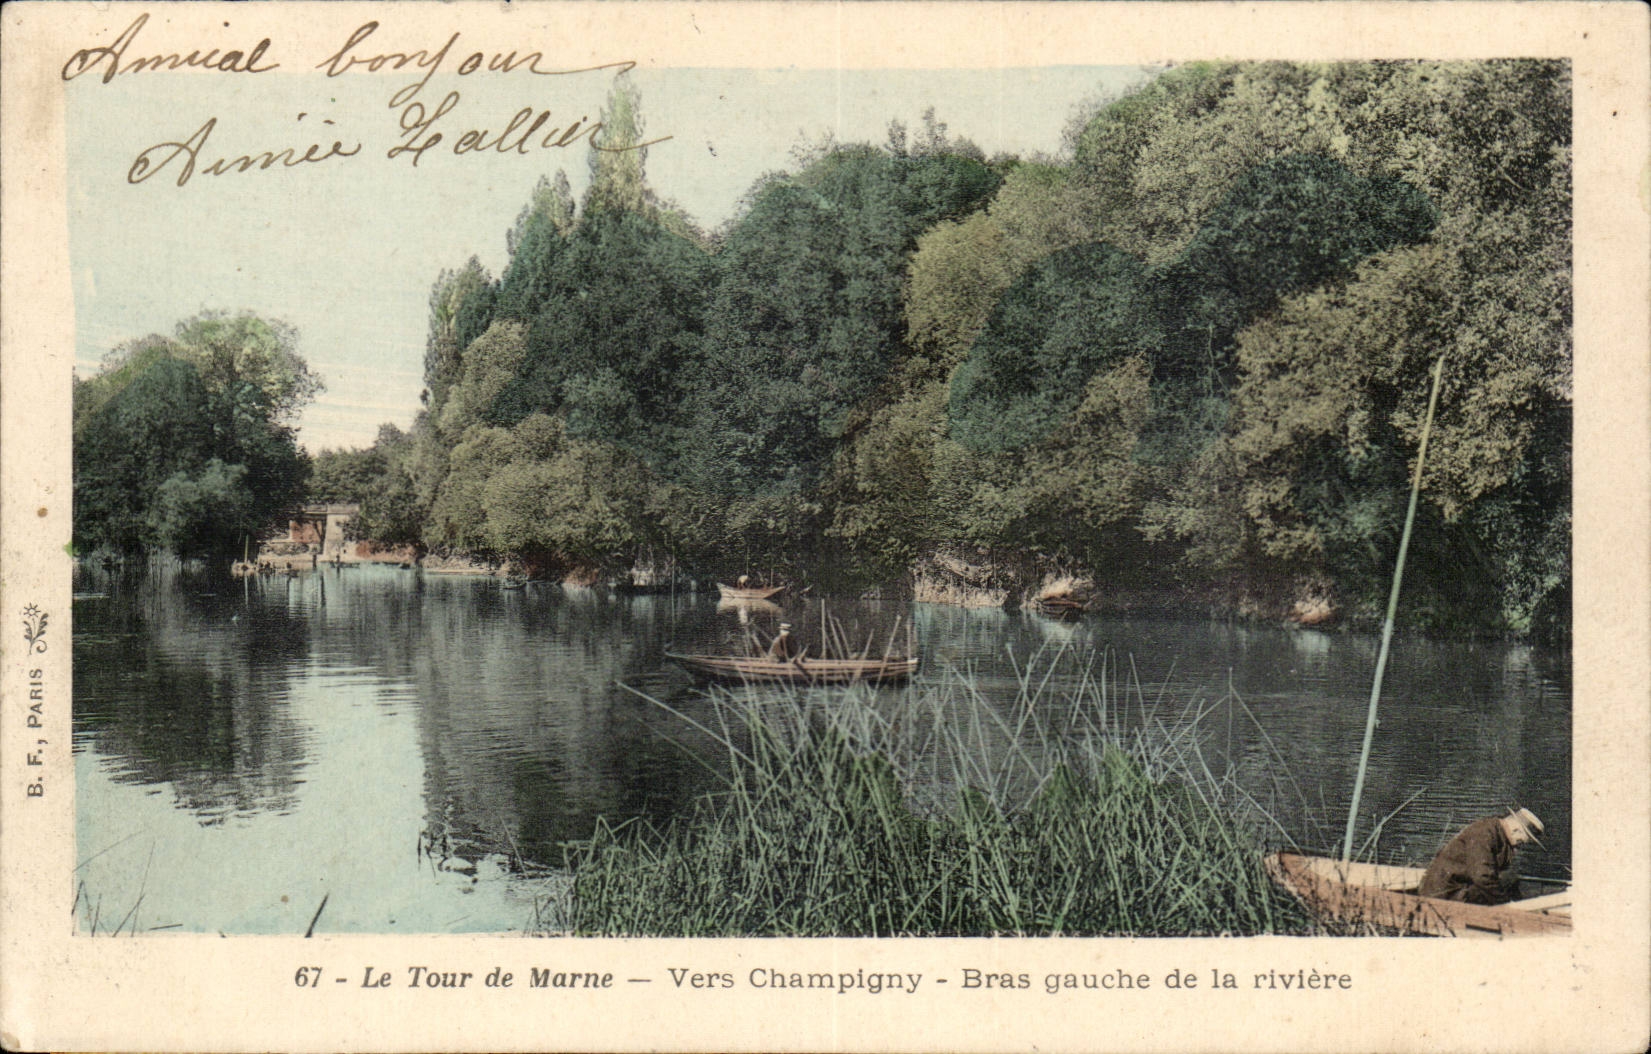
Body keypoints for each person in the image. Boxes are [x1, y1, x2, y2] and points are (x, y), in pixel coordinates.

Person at [1417, 808, 1544, 904]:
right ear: (1516, 830)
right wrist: (1505, 903)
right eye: (1523, 840)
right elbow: (1482, 877)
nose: (1521, 844)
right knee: (1505, 880)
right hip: (1445, 894)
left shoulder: (1498, 833)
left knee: (1509, 878)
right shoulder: (1483, 834)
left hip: (1461, 888)